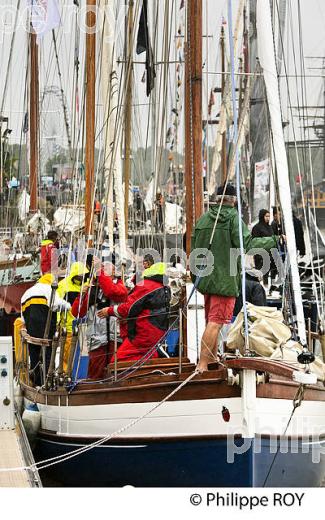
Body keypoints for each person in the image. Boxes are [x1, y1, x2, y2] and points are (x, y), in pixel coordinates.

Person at [191, 183, 279, 372]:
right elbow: (248, 244)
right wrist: (275, 240)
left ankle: (212, 360)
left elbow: (193, 248)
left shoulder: (204, 219)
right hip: (225, 280)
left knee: (210, 322)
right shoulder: (233, 219)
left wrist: (196, 275)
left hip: (205, 279)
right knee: (216, 322)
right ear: (234, 201)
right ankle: (203, 364)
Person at [97, 262, 171, 362]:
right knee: (142, 358)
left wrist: (99, 271)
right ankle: (154, 359)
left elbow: (126, 305)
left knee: (117, 362)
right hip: (154, 333)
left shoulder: (144, 285)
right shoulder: (163, 287)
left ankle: (154, 358)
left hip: (136, 335)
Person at [71, 259, 128, 379]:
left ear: (113, 271)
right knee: (95, 375)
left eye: (105, 268)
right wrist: (82, 295)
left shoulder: (121, 287)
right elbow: (76, 313)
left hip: (116, 339)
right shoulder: (92, 290)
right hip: (96, 340)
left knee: (117, 373)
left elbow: (110, 290)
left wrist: (98, 270)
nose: (102, 270)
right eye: (101, 268)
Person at [21, 274, 71, 386]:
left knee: (34, 359)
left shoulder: (26, 293)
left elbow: (23, 318)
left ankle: (37, 384)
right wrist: (67, 305)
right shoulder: (49, 289)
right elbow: (55, 305)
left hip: (31, 334)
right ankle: (47, 383)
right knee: (48, 358)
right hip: (46, 333)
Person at [57, 261, 89, 372]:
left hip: (85, 327)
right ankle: (66, 375)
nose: (81, 278)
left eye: (83, 276)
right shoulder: (63, 285)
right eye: (79, 276)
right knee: (68, 355)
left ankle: (81, 375)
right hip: (69, 327)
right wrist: (58, 323)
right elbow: (57, 306)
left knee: (84, 354)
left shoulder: (88, 284)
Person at [252, 209, 275, 284]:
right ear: (262, 216)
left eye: (269, 216)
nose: (268, 218)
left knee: (267, 274)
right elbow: (255, 242)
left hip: (270, 254)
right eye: (266, 216)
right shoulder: (256, 228)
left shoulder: (270, 227)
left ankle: (267, 288)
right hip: (260, 255)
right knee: (259, 274)